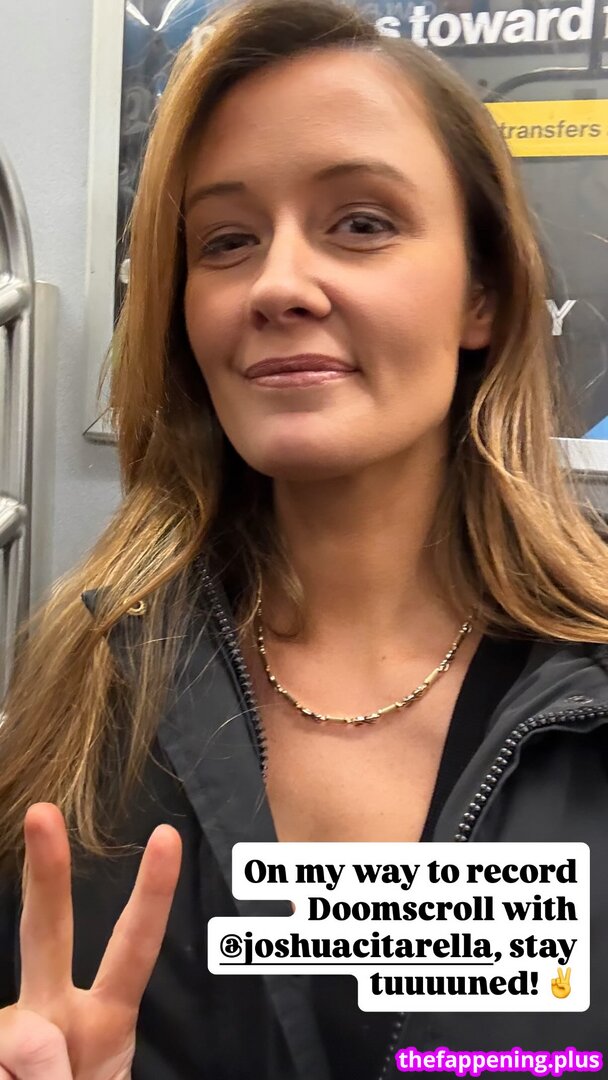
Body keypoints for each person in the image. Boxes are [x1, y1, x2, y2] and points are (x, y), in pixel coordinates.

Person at [1, 0, 608, 1076]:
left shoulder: (586, 693)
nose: (277, 285)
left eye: (361, 223)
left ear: (482, 294)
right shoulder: (86, 686)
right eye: (226, 241)